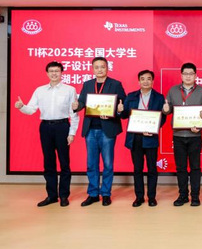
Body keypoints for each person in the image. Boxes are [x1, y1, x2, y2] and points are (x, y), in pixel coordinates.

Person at [15, 61, 80, 207]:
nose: (54, 73)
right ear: (47, 73)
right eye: (51, 71)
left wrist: (72, 133)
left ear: (61, 73)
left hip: (62, 126)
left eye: (57, 71)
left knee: (64, 162)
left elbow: (74, 113)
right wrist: (22, 107)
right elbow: (31, 109)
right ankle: (52, 196)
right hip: (45, 127)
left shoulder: (70, 90)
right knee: (48, 162)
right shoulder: (40, 90)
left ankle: (64, 195)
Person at [72, 56, 126, 207]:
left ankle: (106, 194)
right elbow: (82, 102)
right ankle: (93, 194)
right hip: (90, 129)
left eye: (102, 67)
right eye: (97, 67)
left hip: (107, 129)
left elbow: (122, 105)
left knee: (108, 164)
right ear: (92, 69)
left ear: (107, 68)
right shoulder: (88, 84)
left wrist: (116, 111)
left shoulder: (115, 84)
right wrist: (77, 106)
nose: (100, 69)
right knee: (91, 164)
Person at [162, 62, 202, 207]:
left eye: (191, 74)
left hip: (195, 136)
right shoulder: (173, 90)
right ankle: (182, 195)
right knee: (181, 167)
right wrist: (165, 109)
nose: (188, 76)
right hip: (178, 135)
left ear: (195, 75)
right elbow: (167, 111)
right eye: (185, 74)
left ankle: (195, 196)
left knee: (195, 167)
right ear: (181, 75)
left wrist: (200, 125)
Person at [119, 70, 166, 207]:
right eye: (143, 79)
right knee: (137, 169)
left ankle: (151, 197)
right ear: (139, 81)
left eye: (148, 79)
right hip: (135, 138)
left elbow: (162, 118)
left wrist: (153, 128)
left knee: (152, 169)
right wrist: (120, 110)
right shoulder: (131, 96)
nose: (146, 81)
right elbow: (124, 115)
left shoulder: (159, 97)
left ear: (152, 81)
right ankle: (139, 197)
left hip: (150, 138)